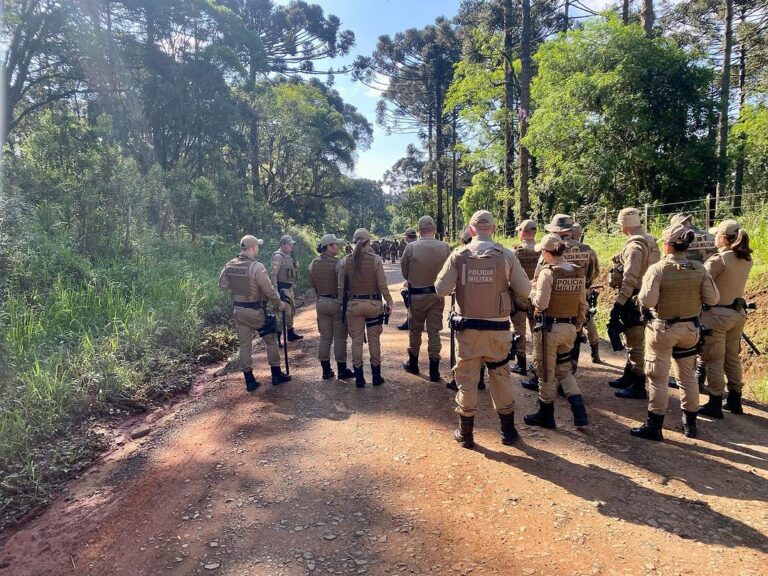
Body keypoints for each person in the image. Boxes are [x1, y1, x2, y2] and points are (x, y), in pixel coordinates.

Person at [435, 210, 531, 448]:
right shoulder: (506, 255)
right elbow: (526, 290)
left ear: (471, 230)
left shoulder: (458, 255)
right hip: (498, 329)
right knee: (500, 377)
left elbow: (440, 289)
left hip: (468, 330)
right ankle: (508, 432)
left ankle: (466, 433)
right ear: (494, 228)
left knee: (467, 379)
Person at [631, 223, 719, 441]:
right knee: (687, 377)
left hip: (663, 329)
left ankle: (654, 426)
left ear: (667, 245)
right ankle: (690, 424)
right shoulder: (699, 268)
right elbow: (713, 298)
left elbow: (648, 300)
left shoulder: (658, 269)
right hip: (690, 329)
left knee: (658, 378)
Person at [524, 234, 589, 429]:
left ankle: (546, 415)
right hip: (569, 328)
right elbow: (582, 304)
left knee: (545, 372)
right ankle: (580, 413)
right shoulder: (578, 272)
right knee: (564, 370)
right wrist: (577, 326)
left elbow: (542, 304)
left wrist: (532, 291)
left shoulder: (548, 273)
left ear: (546, 253)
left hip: (549, 330)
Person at [218, 235, 291, 390]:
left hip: (239, 310)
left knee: (245, 346)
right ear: (252, 248)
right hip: (255, 312)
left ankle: (250, 381)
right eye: (257, 246)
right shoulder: (257, 267)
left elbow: (223, 285)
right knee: (271, 340)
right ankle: (276, 374)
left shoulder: (230, 265)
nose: (258, 248)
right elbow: (269, 290)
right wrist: (280, 304)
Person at [698, 220, 753, 417]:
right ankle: (735, 399)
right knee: (732, 358)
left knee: (714, 358)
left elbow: (702, 283)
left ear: (723, 238)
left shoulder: (718, 260)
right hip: (738, 313)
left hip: (717, 315)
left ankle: (714, 401)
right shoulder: (746, 259)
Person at [608, 207, 660, 398]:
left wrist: (619, 303)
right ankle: (629, 375)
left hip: (634, 296)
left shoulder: (634, 247)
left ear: (623, 225)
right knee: (635, 338)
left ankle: (638, 384)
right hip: (649, 294)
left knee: (634, 341)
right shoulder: (650, 241)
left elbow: (630, 279)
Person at [338, 228, 394, 387]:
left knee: (356, 341)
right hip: (373, 305)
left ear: (354, 241)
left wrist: (344, 305)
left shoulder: (345, 261)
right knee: (374, 340)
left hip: (354, 306)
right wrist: (389, 302)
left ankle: (360, 378)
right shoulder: (375, 260)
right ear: (369, 241)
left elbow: (341, 287)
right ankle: (376, 377)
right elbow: (382, 284)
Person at [401, 216, 452, 381]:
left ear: (419, 230)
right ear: (434, 229)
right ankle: (434, 370)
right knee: (434, 331)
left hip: (416, 294)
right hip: (436, 294)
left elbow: (404, 272)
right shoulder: (445, 247)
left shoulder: (411, 248)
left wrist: (415, 278)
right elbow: (451, 271)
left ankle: (413, 363)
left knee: (415, 330)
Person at [309, 234, 355, 381]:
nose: (338, 246)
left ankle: (326, 371)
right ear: (328, 247)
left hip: (321, 301)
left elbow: (313, 283)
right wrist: (343, 302)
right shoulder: (339, 263)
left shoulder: (313, 263)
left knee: (325, 337)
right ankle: (342, 370)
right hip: (336, 302)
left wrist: (320, 296)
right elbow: (343, 285)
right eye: (335, 244)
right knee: (340, 338)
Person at [568, 222, 601, 364]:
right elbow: (596, 271)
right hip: (585, 291)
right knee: (587, 320)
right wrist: (586, 283)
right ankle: (595, 352)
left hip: (567, 292)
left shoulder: (562, 249)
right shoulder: (589, 251)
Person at [511, 219, 540, 376]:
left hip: (519, 297)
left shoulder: (515, 253)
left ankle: (521, 363)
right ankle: (537, 363)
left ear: (522, 232)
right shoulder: (544, 250)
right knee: (537, 329)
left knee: (519, 329)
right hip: (537, 296)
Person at [271, 235, 304, 342]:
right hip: (282, 289)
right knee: (285, 313)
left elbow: (290, 271)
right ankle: (277, 336)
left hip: (289, 288)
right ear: (283, 244)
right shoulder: (278, 256)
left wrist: (295, 266)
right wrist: (275, 289)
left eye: (292, 244)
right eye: (289, 244)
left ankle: (290, 333)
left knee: (292, 312)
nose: (291, 247)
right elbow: (273, 274)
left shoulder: (288, 255)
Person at [397, 228, 420, 331]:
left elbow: (404, 266)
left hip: (414, 280)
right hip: (429, 280)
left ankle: (410, 321)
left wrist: (408, 279)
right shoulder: (421, 245)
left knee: (408, 297)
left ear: (406, 237)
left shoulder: (409, 247)